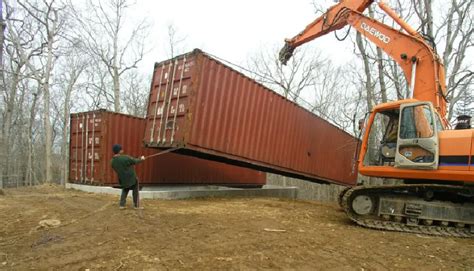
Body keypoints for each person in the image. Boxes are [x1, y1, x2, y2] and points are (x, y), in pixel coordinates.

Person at [110, 144, 145, 210]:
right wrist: (141, 159)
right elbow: (135, 161)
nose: (122, 150)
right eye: (121, 149)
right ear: (120, 151)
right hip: (132, 178)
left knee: (125, 189)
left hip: (122, 179)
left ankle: (122, 205)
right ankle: (136, 205)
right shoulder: (125, 157)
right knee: (135, 190)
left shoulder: (112, 161)